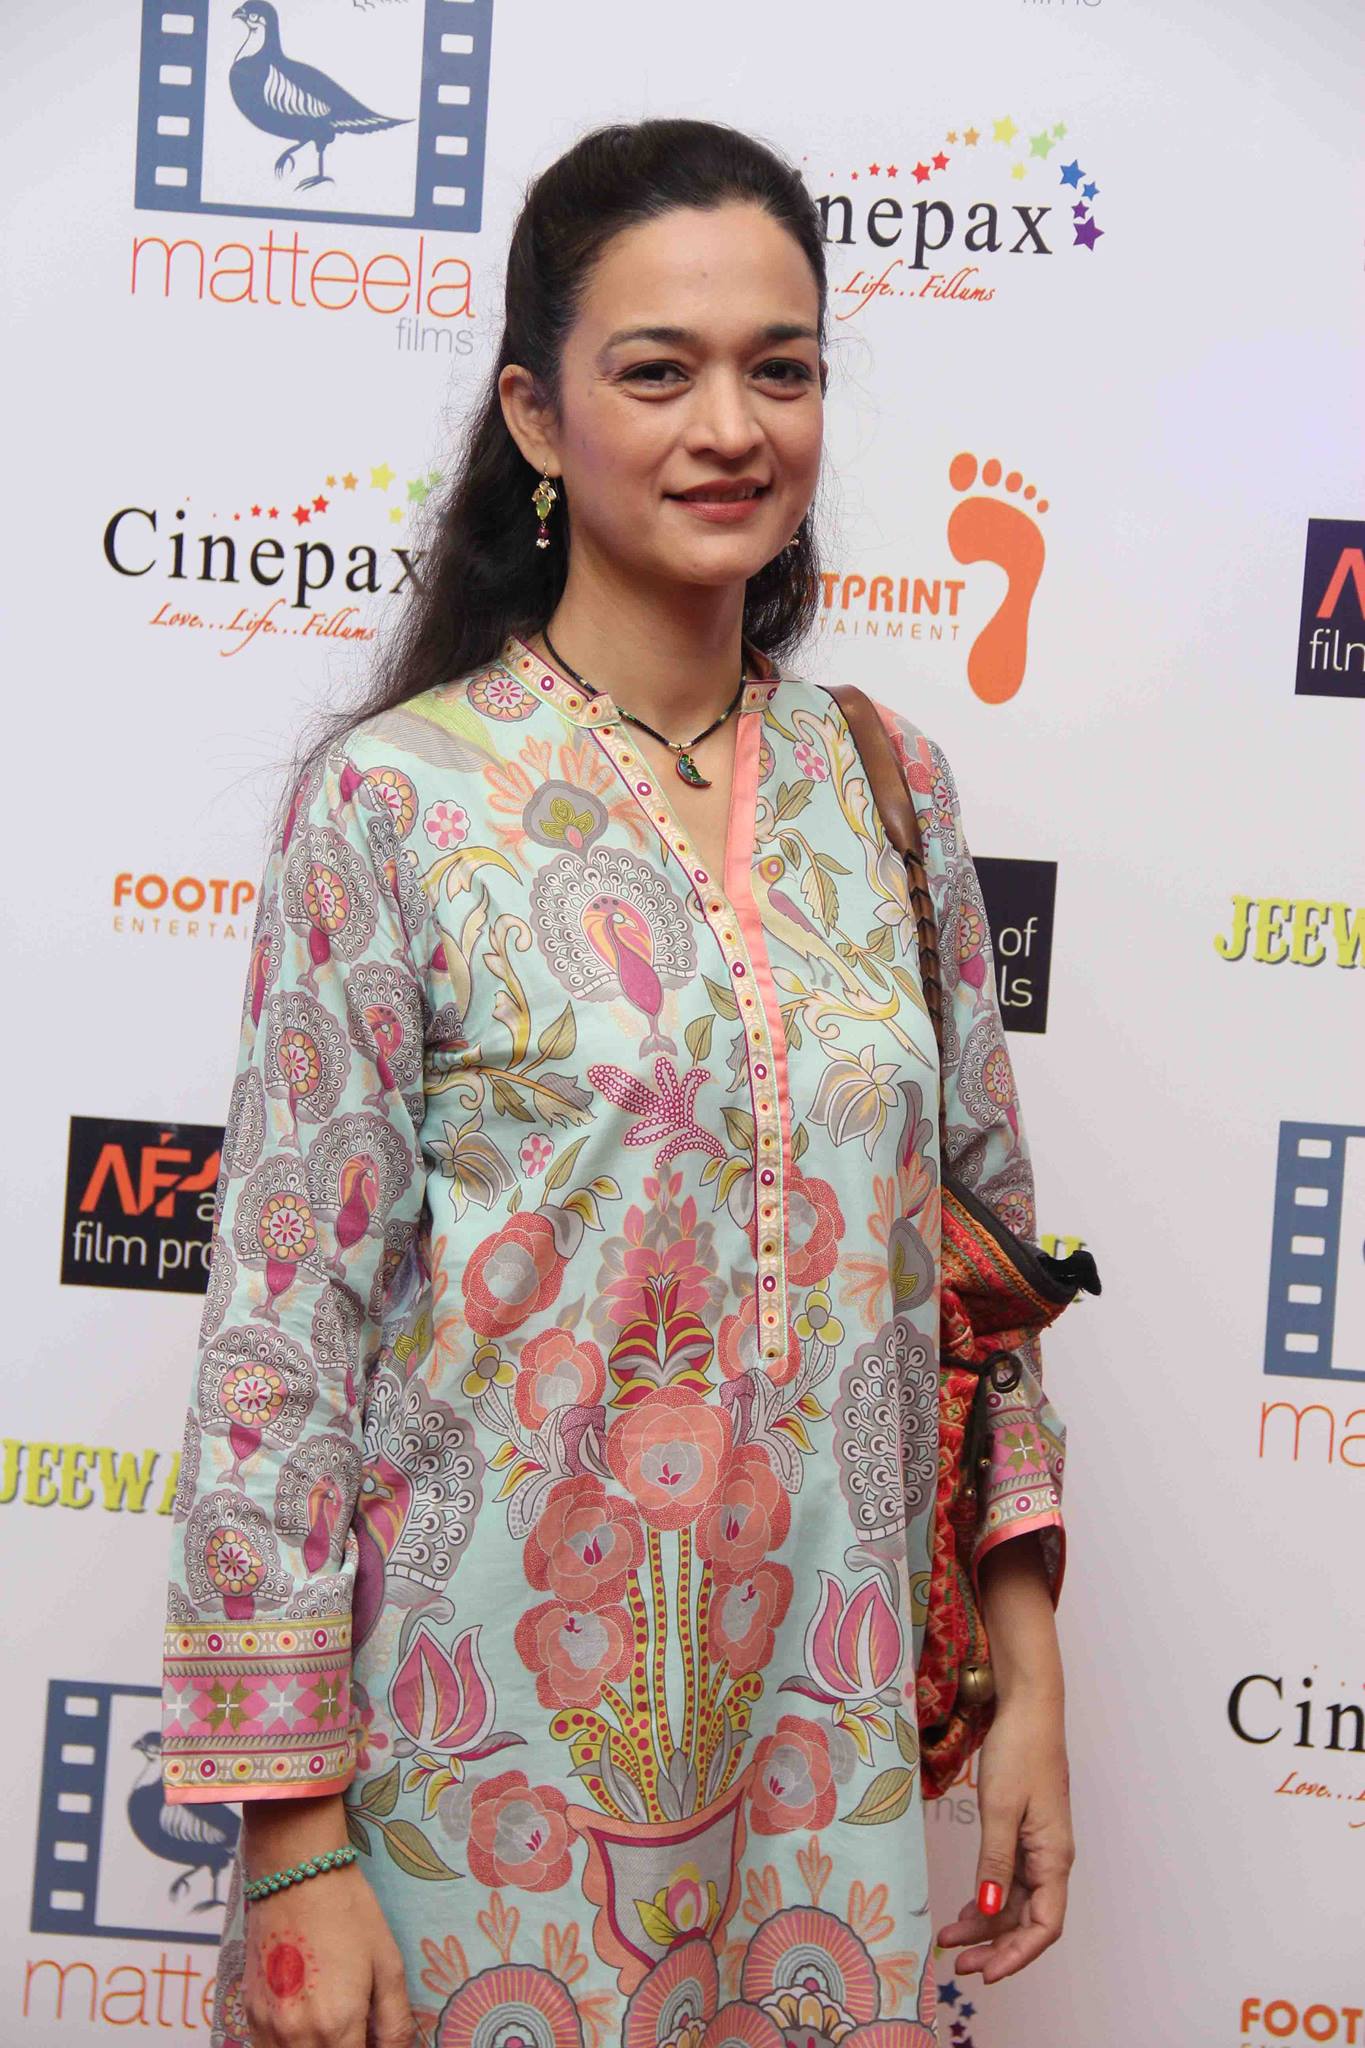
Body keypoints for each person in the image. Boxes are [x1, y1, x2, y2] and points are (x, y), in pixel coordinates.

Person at [160, 115, 1075, 2048]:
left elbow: (980, 1285)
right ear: (537, 416)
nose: (728, 427)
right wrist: (295, 1846)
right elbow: (280, 1349)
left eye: (780, 369)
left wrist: (1027, 1681)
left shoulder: (888, 793)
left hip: (822, 1767)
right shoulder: (398, 803)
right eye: (657, 372)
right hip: (465, 1777)